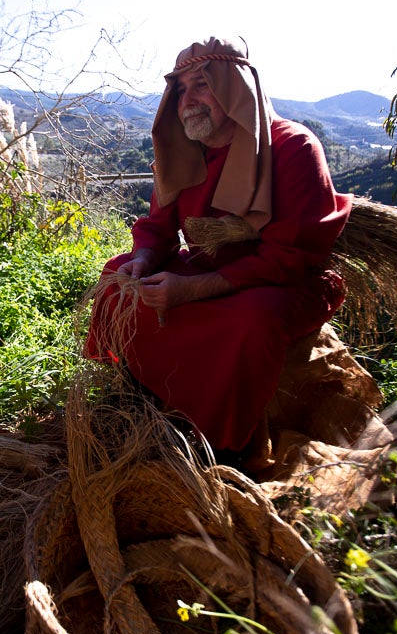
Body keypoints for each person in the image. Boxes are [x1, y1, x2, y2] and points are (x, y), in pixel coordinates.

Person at [85, 36, 352, 460]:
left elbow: (292, 256)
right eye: (181, 90)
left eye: (202, 85)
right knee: (117, 278)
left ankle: (221, 447)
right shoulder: (184, 153)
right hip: (209, 266)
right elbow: (157, 227)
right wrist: (142, 259)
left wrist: (191, 289)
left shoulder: (294, 148)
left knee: (250, 321)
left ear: (236, 88)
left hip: (282, 281)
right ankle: (140, 395)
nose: (188, 100)